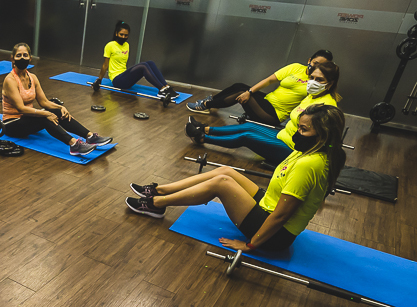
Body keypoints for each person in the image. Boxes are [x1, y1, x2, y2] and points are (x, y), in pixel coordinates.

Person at [126, 104, 346, 252]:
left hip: (276, 236)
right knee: (227, 172)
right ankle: (161, 190)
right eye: (298, 127)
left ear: (323, 135)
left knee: (222, 184)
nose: (297, 133)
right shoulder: (310, 151)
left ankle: (156, 204)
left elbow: (280, 217)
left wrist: (250, 245)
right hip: (267, 205)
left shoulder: (310, 164)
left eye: (304, 129)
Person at [185, 62, 341, 166]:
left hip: (293, 149)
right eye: (312, 78)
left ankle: (201, 138)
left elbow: (322, 143)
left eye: (319, 80)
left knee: (247, 137)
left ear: (331, 83)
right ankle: (205, 129)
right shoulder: (311, 96)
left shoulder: (327, 106)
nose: (312, 82)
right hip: (284, 135)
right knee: (248, 126)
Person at [2, 43, 112, 156]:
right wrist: (45, 114)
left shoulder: (33, 77)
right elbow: (21, 108)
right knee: (45, 116)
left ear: (30, 58)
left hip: (28, 119)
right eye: (18, 55)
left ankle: (90, 136)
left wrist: (61, 107)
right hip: (12, 124)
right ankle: (74, 145)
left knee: (58, 112)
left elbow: (44, 102)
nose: (22, 58)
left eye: (25, 55)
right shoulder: (10, 80)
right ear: (12, 58)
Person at [186, 49, 334, 126]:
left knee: (240, 92)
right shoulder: (296, 67)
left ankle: (206, 104)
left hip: (273, 114)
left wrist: (247, 94)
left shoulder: (317, 83)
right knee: (241, 86)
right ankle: (213, 100)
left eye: (321, 65)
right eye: (315, 62)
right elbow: (269, 80)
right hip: (267, 101)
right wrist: (250, 92)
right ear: (309, 60)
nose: (316, 66)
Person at [95, 21, 178, 101]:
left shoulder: (126, 45)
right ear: (116, 33)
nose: (123, 37)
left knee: (150, 63)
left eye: (126, 35)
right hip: (117, 80)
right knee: (143, 66)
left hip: (125, 77)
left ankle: (166, 87)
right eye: (121, 34)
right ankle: (162, 89)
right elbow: (105, 65)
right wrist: (99, 80)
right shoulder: (110, 45)